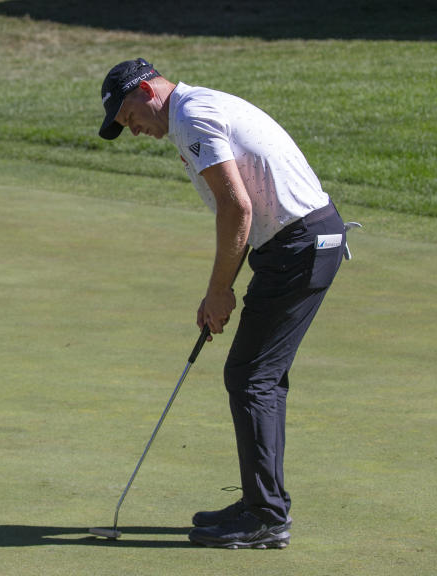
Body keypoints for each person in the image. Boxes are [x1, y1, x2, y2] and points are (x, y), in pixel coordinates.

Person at [97, 58, 348, 549]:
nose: (134, 132)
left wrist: (218, 290)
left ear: (146, 90)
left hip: (298, 247)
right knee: (260, 377)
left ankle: (266, 517)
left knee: (250, 378)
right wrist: (221, 288)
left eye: (129, 119)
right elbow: (244, 212)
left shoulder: (192, 116)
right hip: (295, 245)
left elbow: (237, 207)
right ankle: (262, 505)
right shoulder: (195, 110)